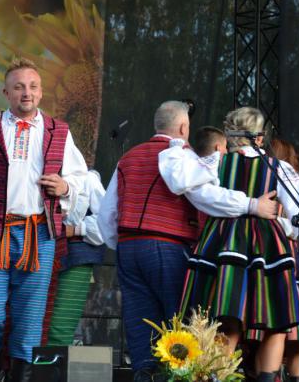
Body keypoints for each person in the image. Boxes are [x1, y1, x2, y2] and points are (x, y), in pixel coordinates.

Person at [98, 101, 278, 382]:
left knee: (139, 321)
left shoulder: (128, 158)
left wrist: (120, 242)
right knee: (180, 322)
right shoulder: (186, 158)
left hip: (128, 246)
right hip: (169, 245)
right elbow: (208, 199)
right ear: (183, 127)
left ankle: (145, 374)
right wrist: (252, 206)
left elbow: (107, 212)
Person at [161, 107, 299, 382]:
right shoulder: (279, 168)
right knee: (275, 322)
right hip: (268, 246)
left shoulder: (216, 163)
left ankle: (217, 376)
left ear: (230, 134)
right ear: (260, 136)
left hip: (224, 240)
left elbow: (199, 195)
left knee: (226, 318)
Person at [0, 57, 87, 382]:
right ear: (6, 92)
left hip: (37, 234)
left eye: (31, 86)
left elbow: (81, 177)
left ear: (41, 92)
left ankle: (19, 377)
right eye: (18, 87)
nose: (26, 93)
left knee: (29, 318)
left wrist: (66, 185)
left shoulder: (59, 130)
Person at [47, 169, 106, 346]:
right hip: (36, 254)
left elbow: (106, 222)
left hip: (75, 256)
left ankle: (50, 371)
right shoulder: (32, 175)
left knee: (60, 325)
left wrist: (75, 229)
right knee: (32, 322)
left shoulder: (88, 179)